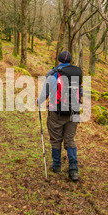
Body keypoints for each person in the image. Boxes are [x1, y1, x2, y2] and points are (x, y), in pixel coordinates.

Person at [36, 50, 83, 181]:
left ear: (59, 60)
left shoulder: (53, 73)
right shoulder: (77, 73)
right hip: (73, 112)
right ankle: (73, 170)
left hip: (56, 112)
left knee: (56, 139)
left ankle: (56, 166)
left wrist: (38, 102)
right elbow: (81, 91)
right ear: (70, 61)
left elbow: (45, 93)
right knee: (70, 140)